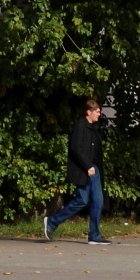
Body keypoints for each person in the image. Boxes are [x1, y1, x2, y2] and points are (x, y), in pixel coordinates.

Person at [43, 99, 111, 245]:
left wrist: (95, 167)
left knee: (98, 201)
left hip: (95, 170)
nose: (99, 114)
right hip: (85, 170)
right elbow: (76, 149)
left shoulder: (92, 129)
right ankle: (51, 222)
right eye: (97, 112)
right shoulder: (80, 127)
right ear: (89, 112)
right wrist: (87, 166)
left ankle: (94, 235)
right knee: (82, 200)